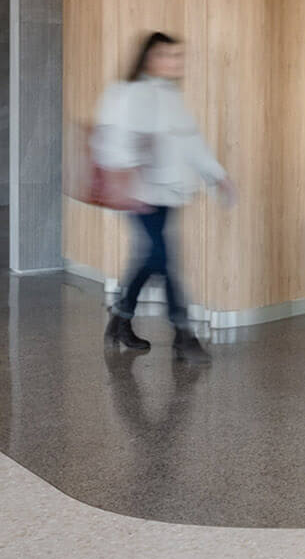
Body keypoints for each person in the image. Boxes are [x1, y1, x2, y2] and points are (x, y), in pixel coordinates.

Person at [95, 31, 233, 363]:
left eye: (177, 56)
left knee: (150, 259)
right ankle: (183, 335)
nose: (173, 63)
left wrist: (217, 175)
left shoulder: (171, 97)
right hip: (139, 194)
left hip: (169, 192)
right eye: (166, 56)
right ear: (148, 57)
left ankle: (119, 319)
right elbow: (114, 142)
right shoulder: (128, 94)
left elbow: (192, 142)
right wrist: (125, 184)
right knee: (164, 259)